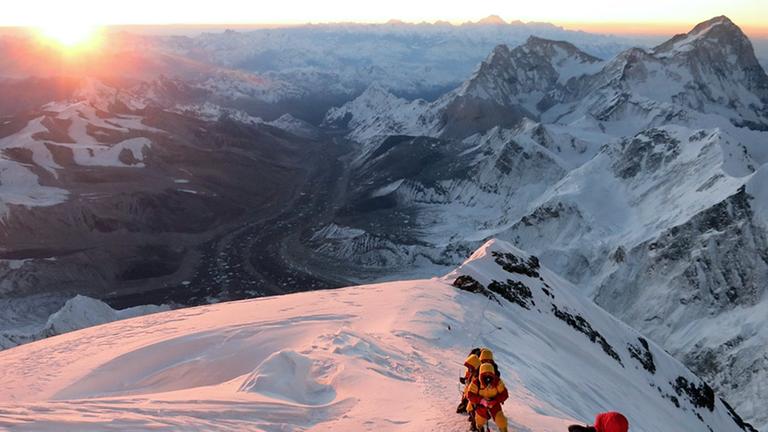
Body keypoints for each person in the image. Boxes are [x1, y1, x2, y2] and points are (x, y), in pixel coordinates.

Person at [467, 363, 509, 432]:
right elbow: (470, 395)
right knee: (480, 421)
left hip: (494, 404)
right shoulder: (476, 382)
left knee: (501, 420)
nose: (487, 377)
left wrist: (494, 400)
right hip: (481, 406)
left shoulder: (497, 382)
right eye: (484, 374)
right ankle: (480, 429)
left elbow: (504, 394)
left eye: (489, 374)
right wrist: (481, 401)